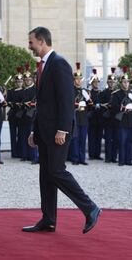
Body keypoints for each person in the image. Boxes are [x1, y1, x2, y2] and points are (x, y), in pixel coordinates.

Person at [23, 27, 101, 234]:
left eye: (31, 42)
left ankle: (90, 208)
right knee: (46, 175)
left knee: (56, 171)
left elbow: (67, 101)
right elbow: (43, 103)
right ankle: (48, 220)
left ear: (41, 41)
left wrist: (63, 130)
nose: (29, 46)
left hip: (58, 132)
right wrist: (34, 131)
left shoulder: (59, 64)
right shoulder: (43, 65)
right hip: (45, 131)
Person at [110, 73, 132, 166]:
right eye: (124, 82)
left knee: (130, 141)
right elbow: (113, 107)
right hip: (122, 120)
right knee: (122, 141)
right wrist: (123, 108)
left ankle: (128, 160)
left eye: (127, 82)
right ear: (121, 83)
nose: (126, 84)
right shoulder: (116, 94)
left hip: (131, 120)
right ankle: (121, 160)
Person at [88, 69, 103, 160]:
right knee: (92, 137)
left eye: (97, 82)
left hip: (100, 118)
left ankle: (98, 154)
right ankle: (91, 154)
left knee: (99, 137)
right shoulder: (89, 93)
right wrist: (93, 106)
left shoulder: (101, 93)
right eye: (94, 82)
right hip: (92, 117)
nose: (96, 84)